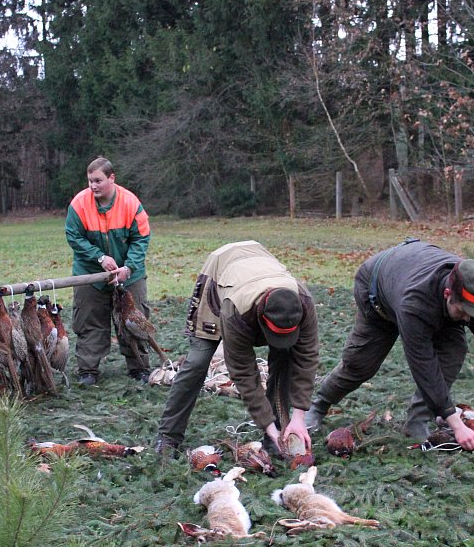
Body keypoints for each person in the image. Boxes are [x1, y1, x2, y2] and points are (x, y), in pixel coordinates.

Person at [304, 239, 474, 449]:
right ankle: (318, 405)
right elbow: (424, 365)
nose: (468, 319)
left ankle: (417, 421)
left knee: (453, 351)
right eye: (463, 312)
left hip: (412, 277)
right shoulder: (415, 303)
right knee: (361, 364)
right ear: (448, 294)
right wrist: (456, 424)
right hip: (377, 292)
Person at [154, 241, 320, 456]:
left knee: (286, 357)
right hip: (220, 275)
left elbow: (307, 358)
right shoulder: (234, 311)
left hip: (257, 260)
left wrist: (299, 417)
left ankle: (281, 432)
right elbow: (244, 372)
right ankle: (168, 435)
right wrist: (266, 424)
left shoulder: (303, 302)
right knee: (197, 362)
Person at [65, 157, 152, 385]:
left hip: (129, 273)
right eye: (90, 181)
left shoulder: (130, 203)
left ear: (111, 178)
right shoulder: (79, 204)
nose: (93, 186)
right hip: (90, 273)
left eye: (98, 181)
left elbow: (141, 238)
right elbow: (73, 237)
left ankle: (139, 367)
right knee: (88, 321)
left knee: (134, 320)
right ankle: (88, 370)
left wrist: (129, 267)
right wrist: (99, 257)